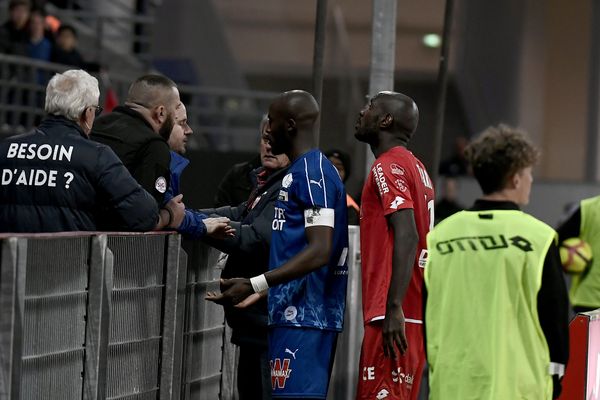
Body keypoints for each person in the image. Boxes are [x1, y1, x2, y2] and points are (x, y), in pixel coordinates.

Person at [207, 90, 348, 400]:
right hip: (288, 314)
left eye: (272, 120)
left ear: (291, 125)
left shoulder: (314, 172)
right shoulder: (296, 172)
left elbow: (320, 249)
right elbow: (298, 248)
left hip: (307, 320)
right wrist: (263, 289)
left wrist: (256, 284)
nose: (267, 129)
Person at [424, 125, 570, 399]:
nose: (530, 181)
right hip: (517, 386)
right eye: (529, 174)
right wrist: (555, 381)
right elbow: (555, 322)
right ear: (516, 178)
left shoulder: (440, 237)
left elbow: (428, 311)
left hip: (451, 384)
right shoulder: (538, 238)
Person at [0, 69, 182, 232]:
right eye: (96, 110)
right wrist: (169, 214)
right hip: (67, 266)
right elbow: (144, 215)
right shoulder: (96, 156)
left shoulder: (5, 148)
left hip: (9, 266)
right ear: (87, 113)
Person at [200, 115, 291, 400]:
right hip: (253, 323)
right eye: (266, 139)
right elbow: (239, 212)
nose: (270, 147)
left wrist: (201, 227)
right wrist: (191, 218)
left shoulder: (289, 186)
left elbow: (258, 238)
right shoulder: (265, 182)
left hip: (270, 322)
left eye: (278, 142)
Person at [354, 91, 434, 400]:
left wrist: (393, 308)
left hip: (392, 317)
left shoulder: (387, 166)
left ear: (386, 120)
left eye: (370, 106)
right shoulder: (417, 167)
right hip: (410, 316)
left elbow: (408, 234)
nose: (362, 112)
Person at [91, 74, 179, 208]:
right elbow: (148, 214)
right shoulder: (154, 146)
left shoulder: (93, 126)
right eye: (175, 110)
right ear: (161, 112)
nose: (176, 118)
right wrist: (170, 215)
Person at [165, 101, 233, 238]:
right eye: (182, 123)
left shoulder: (168, 163)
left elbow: (174, 213)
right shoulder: (152, 163)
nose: (189, 130)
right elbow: (165, 214)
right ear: (161, 120)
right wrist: (201, 224)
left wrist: (200, 220)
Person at [556, 196, 600, 312]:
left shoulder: (587, 208)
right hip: (589, 299)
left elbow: (557, 242)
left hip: (588, 298)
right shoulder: (587, 209)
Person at [325, 148, 360, 225]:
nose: (333, 171)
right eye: (329, 166)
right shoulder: (308, 198)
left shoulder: (350, 208)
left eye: (339, 168)